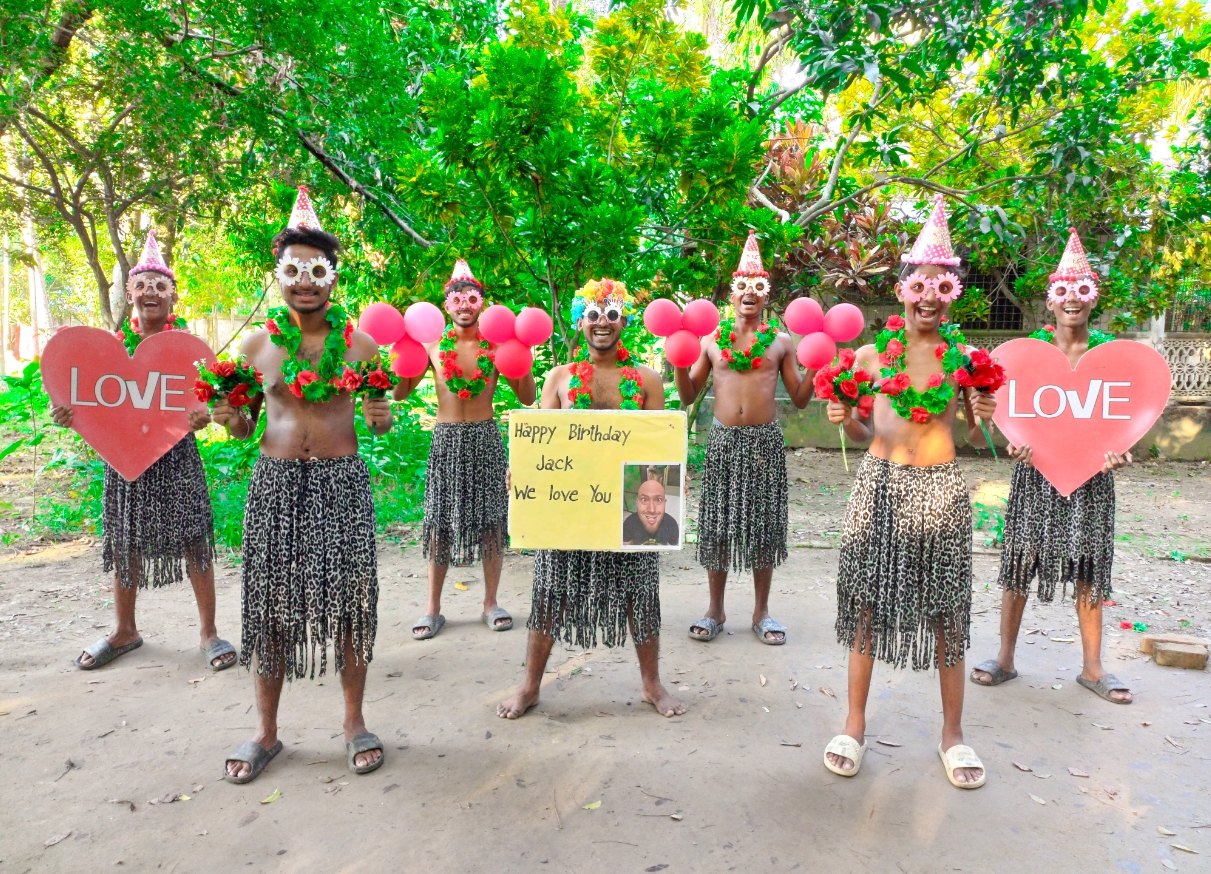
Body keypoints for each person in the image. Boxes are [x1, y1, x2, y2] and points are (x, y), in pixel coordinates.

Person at [213, 189, 393, 783]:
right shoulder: (256, 347)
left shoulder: (361, 346)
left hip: (341, 482)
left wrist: (381, 415)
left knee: (349, 605)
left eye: (317, 271)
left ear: (333, 277)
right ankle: (266, 732)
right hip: (275, 482)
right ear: (279, 276)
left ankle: (354, 723)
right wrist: (229, 419)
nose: (306, 282)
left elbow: (377, 416)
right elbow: (244, 428)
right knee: (270, 607)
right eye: (294, 271)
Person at [822, 195, 996, 789]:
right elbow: (860, 430)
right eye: (919, 285)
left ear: (953, 295)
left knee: (947, 609)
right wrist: (842, 417)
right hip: (880, 485)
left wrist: (984, 415)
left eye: (941, 287)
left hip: (942, 487)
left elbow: (974, 435)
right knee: (867, 603)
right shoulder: (871, 357)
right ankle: (853, 724)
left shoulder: (966, 360)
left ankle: (953, 734)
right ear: (902, 291)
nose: (928, 297)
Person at [497, 278, 685, 719]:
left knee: (641, 593)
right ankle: (530, 686)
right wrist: (521, 471)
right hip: (568, 506)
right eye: (594, 314)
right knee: (550, 591)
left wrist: (674, 477)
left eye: (612, 315)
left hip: (626, 505)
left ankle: (652, 685)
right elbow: (540, 442)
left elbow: (658, 446)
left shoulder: (647, 379)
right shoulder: (559, 377)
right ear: (580, 322)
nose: (603, 322)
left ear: (625, 322)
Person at [53, 230, 235, 673]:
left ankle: (209, 632)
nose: (150, 291)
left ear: (173, 297)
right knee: (125, 540)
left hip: (177, 456)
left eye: (160, 285)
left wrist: (202, 417)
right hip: (123, 458)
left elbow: (212, 405)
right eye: (142, 285)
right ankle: (125, 630)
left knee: (194, 540)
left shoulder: (191, 353)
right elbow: (90, 399)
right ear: (130, 293)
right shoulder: (110, 350)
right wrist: (69, 414)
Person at [971, 228, 1132, 703]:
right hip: (1035, 474)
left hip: (1092, 479)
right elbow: (1003, 418)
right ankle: (1005, 658)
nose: (1072, 300)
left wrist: (1121, 453)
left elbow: (1123, 419)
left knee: (1089, 565)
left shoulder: (1109, 356)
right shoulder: (1027, 357)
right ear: (1050, 300)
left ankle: (1093, 668)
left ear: (1093, 297)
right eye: (1063, 291)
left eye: (1081, 290)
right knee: (1019, 561)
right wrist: (1013, 441)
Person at [674, 231, 816, 645]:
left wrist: (818, 364)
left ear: (766, 295)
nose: (749, 293)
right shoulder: (711, 340)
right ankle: (715, 610)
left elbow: (800, 399)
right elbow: (688, 395)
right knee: (717, 525)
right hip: (723, 443)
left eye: (757, 287)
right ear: (732, 294)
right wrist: (679, 362)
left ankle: (761, 613)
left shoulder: (781, 342)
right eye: (742, 286)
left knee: (763, 527)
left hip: (765, 443)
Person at [393, 260, 536, 639]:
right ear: (446, 305)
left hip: (485, 438)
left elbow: (527, 396)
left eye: (472, 299)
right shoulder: (431, 345)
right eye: (457, 299)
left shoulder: (498, 346)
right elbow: (400, 393)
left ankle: (491, 603)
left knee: (491, 521)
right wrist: (399, 359)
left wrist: (523, 355)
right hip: (446, 440)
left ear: (481, 304)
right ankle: (433, 608)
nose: (464, 306)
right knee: (439, 522)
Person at [622, 475, 680, 546]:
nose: (652, 510)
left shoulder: (672, 525)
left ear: (664, 503)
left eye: (658, 500)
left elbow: (673, 550)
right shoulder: (629, 523)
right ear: (637, 503)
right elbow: (625, 547)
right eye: (644, 499)